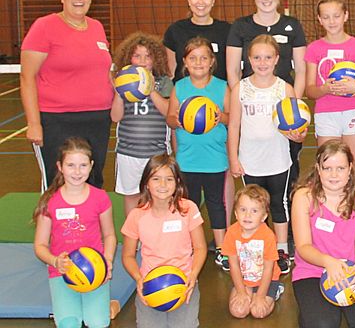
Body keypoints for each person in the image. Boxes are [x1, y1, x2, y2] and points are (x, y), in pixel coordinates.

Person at [21, 0, 113, 189]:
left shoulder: (97, 27)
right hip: (57, 120)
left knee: (92, 180)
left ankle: (88, 225)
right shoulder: (44, 27)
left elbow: (102, 71)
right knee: (59, 182)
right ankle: (55, 224)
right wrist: (34, 124)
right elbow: (27, 76)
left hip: (97, 120)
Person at [226, 0, 308, 211]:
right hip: (252, 110)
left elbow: (302, 70)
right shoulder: (240, 27)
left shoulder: (292, 25)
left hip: (283, 108)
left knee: (288, 169)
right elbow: (233, 71)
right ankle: (257, 230)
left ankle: (289, 229)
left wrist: (292, 111)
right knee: (255, 179)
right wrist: (244, 100)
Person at [228, 34, 305, 274]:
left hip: (278, 160)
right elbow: (234, 126)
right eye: (257, 57)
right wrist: (233, 158)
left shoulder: (285, 88)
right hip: (249, 161)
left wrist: (299, 135)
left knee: (279, 205)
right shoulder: (241, 88)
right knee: (251, 206)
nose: (263, 62)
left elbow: (298, 126)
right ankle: (255, 248)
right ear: (248, 60)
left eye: (268, 57)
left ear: (277, 60)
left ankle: (281, 250)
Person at [291, 140, 355, 328]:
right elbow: (303, 246)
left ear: (350, 169)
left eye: (340, 168)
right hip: (313, 271)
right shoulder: (304, 197)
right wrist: (328, 262)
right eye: (327, 168)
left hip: (353, 271)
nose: (334, 174)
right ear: (318, 169)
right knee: (323, 323)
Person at [32, 137, 116, 328]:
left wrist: (107, 261)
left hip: (95, 271)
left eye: (83, 165)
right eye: (71, 165)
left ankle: (109, 306)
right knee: (69, 324)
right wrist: (55, 261)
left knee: (97, 323)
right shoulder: (50, 201)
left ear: (91, 165)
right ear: (60, 166)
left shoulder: (100, 198)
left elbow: (110, 235)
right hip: (61, 273)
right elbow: (40, 245)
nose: (77, 172)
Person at [167, 37, 231, 271]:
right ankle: (189, 246)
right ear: (184, 61)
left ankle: (222, 249)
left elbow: (231, 117)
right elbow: (170, 118)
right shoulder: (180, 87)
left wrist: (217, 116)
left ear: (212, 61)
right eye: (193, 58)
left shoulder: (222, 86)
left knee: (216, 204)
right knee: (188, 204)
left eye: (204, 58)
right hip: (187, 158)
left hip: (214, 158)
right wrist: (179, 121)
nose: (198, 62)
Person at [121, 153, 206, 327]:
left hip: (183, 284)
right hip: (150, 286)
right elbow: (128, 256)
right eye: (156, 179)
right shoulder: (137, 215)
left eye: (169, 179)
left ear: (177, 183)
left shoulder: (188, 209)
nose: (162, 185)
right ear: (146, 183)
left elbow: (200, 248)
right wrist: (139, 279)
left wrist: (193, 275)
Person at [111, 32, 173, 216]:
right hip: (128, 152)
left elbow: (168, 112)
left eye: (148, 56)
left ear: (155, 59)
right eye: (137, 55)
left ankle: (157, 237)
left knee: (159, 196)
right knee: (132, 196)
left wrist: (151, 89)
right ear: (129, 58)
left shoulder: (163, 82)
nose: (143, 60)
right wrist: (118, 91)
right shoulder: (123, 83)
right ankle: (134, 240)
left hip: (156, 154)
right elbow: (115, 117)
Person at [305, 0, 355, 162]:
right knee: (328, 163)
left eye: (336, 16)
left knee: (350, 164)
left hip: (353, 112)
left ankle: (351, 189)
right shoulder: (313, 49)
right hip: (326, 113)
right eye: (326, 17)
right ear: (319, 20)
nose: (332, 21)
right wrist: (324, 89)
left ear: (346, 16)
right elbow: (310, 91)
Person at [223, 185, 283, 319]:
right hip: (244, 280)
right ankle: (249, 292)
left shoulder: (268, 236)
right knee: (238, 311)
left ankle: (276, 290)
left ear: (264, 216)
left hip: (267, 280)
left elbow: (269, 269)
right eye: (243, 209)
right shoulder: (232, 233)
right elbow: (234, 265)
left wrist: (261, 296)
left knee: (258, 312)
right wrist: (241, 291)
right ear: (236, 213)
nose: (247, 215)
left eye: (254, 211)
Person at [164, 0, 231, 82]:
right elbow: (171, 72)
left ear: (213, 1)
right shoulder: (175, 30)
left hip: (217, 95)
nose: (201, 2)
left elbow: (232, 69)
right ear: (189, 0)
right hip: (184, 94)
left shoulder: (227, 30)